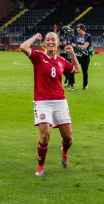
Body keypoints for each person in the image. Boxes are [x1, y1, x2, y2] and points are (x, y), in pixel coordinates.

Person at [20, 32, 80, 177]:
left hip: (60, 102)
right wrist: (35, 37)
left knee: (68, 138)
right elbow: (23, 47)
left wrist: (72, 53)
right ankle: (41, 166)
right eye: (48, 40)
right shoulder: (38, 57)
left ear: (58, 42)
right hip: (42, 102)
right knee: (45, 134)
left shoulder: (61, 61)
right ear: (45, 43)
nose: (50, 42)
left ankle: (64, 151)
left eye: (53, 39)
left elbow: (77, 70)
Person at [73, 24, 93, 90]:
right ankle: (70, 84)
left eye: (79, 30)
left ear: (83, 29)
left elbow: (85, 46)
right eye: (77, 30)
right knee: (73, 68)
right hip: (78, 55)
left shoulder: (88, 36)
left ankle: (85, 85)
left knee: (85, 71)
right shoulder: (77, 36)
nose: (78, 32)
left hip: (85, 56)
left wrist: (75, 45)